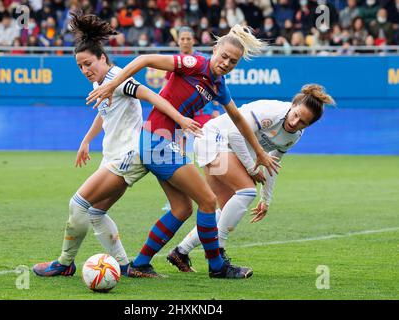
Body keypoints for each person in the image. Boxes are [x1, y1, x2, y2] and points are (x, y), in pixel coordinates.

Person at [87, 24, 280, 279]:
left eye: (233, 62)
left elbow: (238, 118)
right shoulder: (194, 64)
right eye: (223, 57)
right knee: (209, 201)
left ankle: (141, 263)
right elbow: (145, 59)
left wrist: (259, 152)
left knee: (182, 209)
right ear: (214, 50)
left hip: (163, 142)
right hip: (157, 140)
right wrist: (113, 86)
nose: (226, 63)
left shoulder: (218, 85)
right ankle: (217, 267)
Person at [32, 12, 201, 277]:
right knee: (96, 213)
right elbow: (104, 112)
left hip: (129, 155)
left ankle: (64, 264)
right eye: (80, 67)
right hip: (114, 154)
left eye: (89, 63)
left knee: (78, 205)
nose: (86, 70)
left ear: (102, 58)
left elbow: (150, 96)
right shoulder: (103, 82)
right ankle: (124, 266)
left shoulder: (119, 78)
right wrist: (87, 140)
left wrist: (181, 118)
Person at [166, 84, 335, 273]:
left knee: (226, 209)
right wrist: (251, 169)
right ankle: (218, 254)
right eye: (296, 115)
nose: (295, 123)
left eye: (303, 122)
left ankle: (180, 252)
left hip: (225, 149)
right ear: (292, 105)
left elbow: (271, 164)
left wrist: (266, 199)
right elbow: (235, 133)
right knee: (246, 191)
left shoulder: (293, 136)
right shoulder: (272, 111)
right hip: (213, 139)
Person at [161, 26, 221, 212]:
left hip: (202, 116)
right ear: (178, 41)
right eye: (183, 38)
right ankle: (181, 196)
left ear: (193, 40)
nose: (185, 41)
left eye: (188, 38)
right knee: (179, 157)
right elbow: (164, 91)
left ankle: (214, 195)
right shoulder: (173, 63)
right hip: (182, 118)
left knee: (210, 156)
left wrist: (216, 108)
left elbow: (216, 85)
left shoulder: (201, 60)